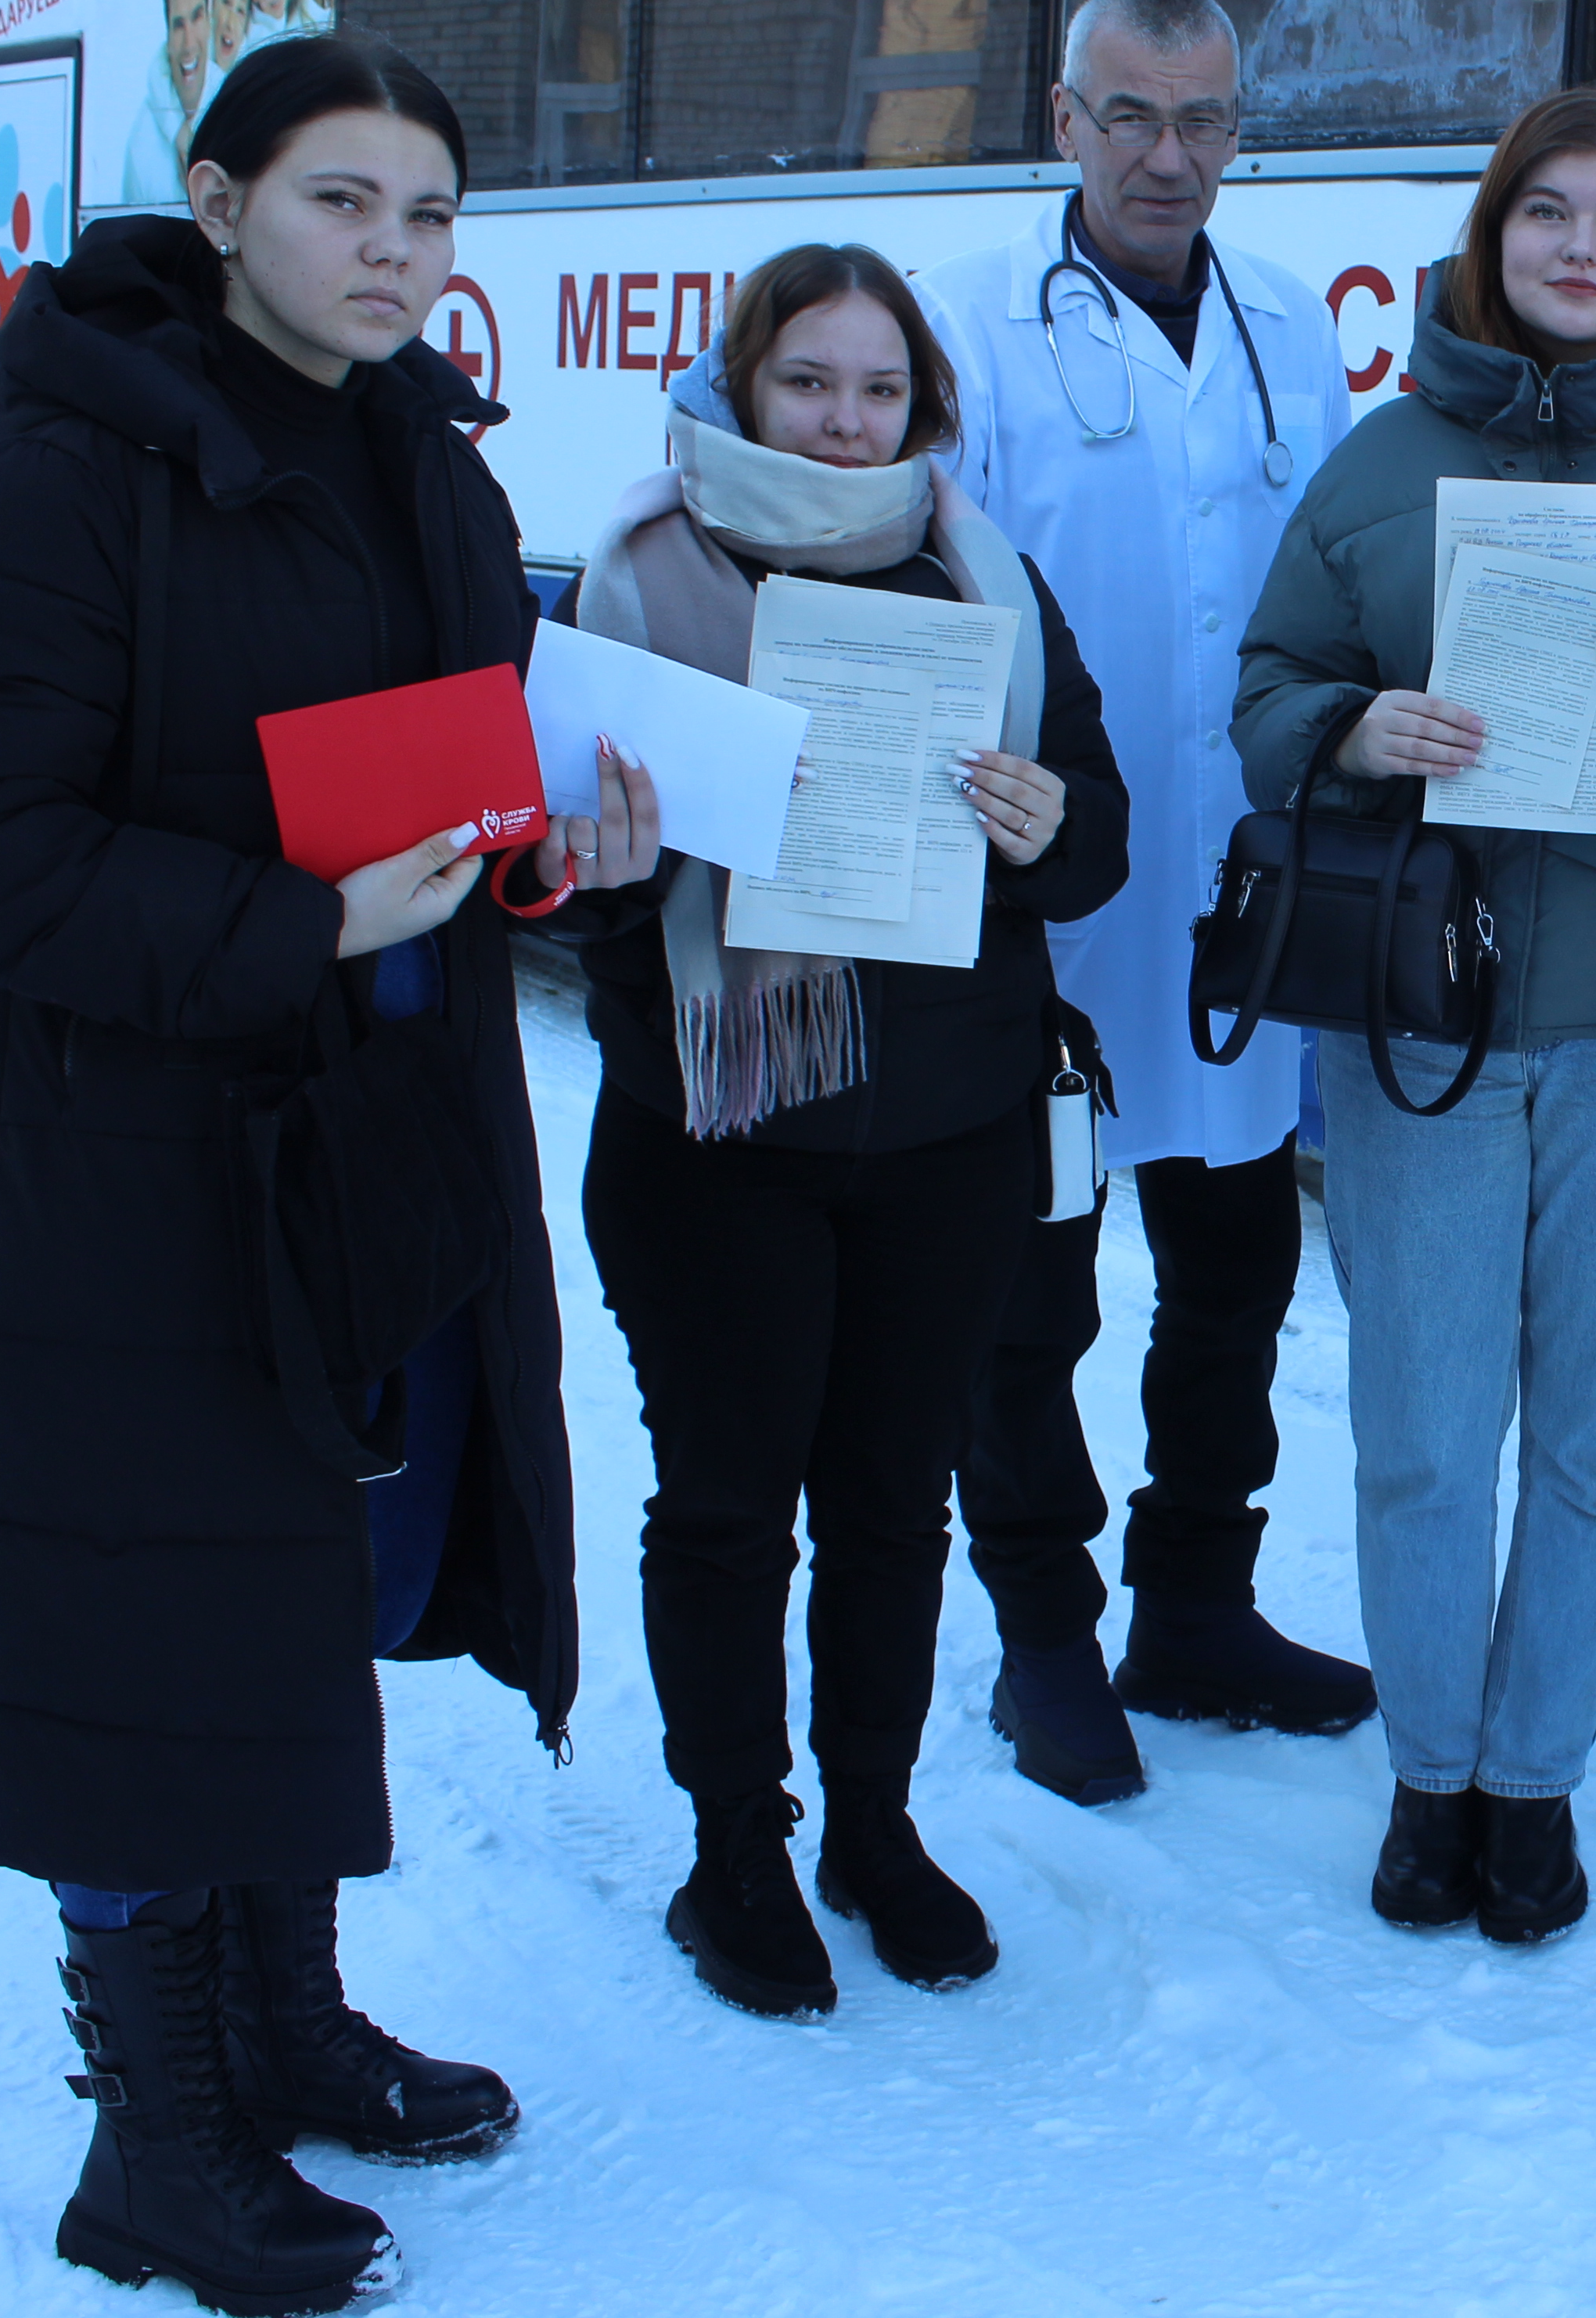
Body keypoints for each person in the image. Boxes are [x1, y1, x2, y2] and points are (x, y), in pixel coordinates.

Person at [0, 31, 624, 2316]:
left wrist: (547, 862)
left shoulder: (429, 457)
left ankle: (284, 2027)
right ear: (218, 206)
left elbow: (467, 768)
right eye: (340, 204)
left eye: (429, 215)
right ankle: (157, 2138)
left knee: (316, 1579)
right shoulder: (82, 475)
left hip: (382, 1127)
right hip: (143, 1162)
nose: (393, 254)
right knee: (146, 1623)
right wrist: (289, 925)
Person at [1234, 86, 1596, 1944]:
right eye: (1546, 212)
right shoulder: (1379, 464)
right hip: (1428, 1008)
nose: (1581, 246)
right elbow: (1265, 688)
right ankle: (1429, 1773)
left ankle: (1532, 1779)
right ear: (1492, 239)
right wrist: (1349, 730)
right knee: (1419, 1422)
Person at [558, 240, 1133, 2021]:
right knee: (728, 1509)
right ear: (742, 385)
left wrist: (1042, 821)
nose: (842, 416)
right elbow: (552, 884)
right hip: (715, 1131)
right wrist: (610, 866)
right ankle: (735, 1844)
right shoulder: (636, 576)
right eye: (808, 379)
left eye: (879, 388)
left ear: (924, 408)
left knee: (893, 1506)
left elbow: (1098, 846)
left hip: (944, 1128)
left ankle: (870, 1827)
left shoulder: (989, 582)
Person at [916, 0, 1372, 1809]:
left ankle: (1195, 1603)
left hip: (1238, 900)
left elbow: (1332, 579)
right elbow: (925, 601)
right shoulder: (965, 321)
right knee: (1029, 1292)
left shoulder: (1285, 324)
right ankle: (1045, 1632)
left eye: (1201, 120)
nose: (1166, 156)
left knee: (1237, 1270)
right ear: (1061, 114)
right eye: (1128, 115)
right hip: (1038, 900)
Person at [123, 0, 210, 206]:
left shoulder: (238, 102)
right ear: (167, 32)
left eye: (197, 17)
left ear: (210, 18)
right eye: (178, 24)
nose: (188, 44)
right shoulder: (142, 147)